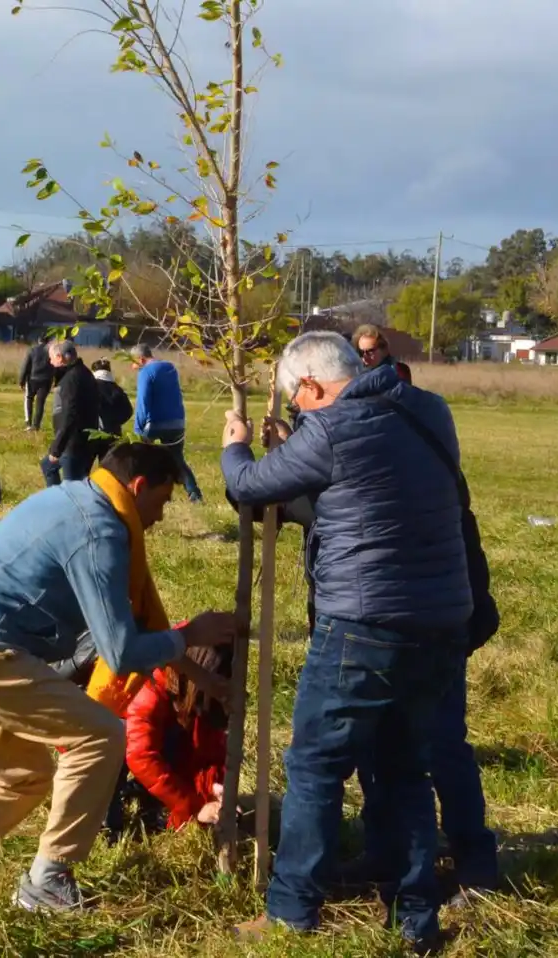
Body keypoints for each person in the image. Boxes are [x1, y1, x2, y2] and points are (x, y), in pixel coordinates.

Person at [0, 443, 238, 912]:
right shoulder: (100, 530)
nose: (161, 516)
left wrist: (199, 677)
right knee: (100, 735)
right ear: (138, 486)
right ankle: (48, 881)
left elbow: (138, 630)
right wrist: (189, 635)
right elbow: (123, 652)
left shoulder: (72, 498)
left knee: (22, 775)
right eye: (163, 500)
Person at [221, 331, 471, 951]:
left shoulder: (332, 431)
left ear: (311, 386)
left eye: (297, 399)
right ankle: (414, 917)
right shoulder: (429, 410)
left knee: (316, 767)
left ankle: (291, 909)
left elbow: (248, 485)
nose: (298, 410)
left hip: (362, 624)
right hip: (442, 620)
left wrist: (235, 446)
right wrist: (298, 442)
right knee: (405, 768)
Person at [125, 645, 231, 832]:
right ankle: (112, 816)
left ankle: (148, 798)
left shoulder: (200, 700)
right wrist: (195, 807)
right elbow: (141, 755)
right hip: (107, 743)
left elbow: (209, 752)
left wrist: (214, 790)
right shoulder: (150, 688)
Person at [131, 344, 202, 504]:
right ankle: (194, 493)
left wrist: (138, 428)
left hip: (154, 423)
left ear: (141, 359)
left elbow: (143, 402)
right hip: (177, 422)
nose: (132, 366)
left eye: (133, 362)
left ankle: (145, 494)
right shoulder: (170, 368)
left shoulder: (146, 372)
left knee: (144, 459)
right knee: (177, 459)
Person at [43, 341, 100, 487]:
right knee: (47, 466)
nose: (50, 362)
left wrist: (57, 448)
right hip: (83, 440)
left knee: (74, 486)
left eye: (51, 358)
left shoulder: (72, 379)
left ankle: (62, 499)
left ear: (59, 357)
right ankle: (56, 496)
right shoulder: (84, 372)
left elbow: (70, 414)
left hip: (73, 443)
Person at [91, 359, 134, 462]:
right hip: (113, 433)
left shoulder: (90, 386)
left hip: (92, 432)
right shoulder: (117, 389)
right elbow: (128, 411)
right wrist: (115, 422)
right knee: (108, 466)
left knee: (84, 467)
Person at [19, 336, 57, 431]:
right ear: (47, 341)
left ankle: (28, 422)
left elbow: (26, 365)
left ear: (38, 340)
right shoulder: (51, 351)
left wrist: (21, 380)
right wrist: (56, 380)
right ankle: (36, 425)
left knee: (29, 399)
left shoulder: (32, 350)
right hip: (46, 380)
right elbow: (55, 366)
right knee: (40, 403)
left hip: (32, 379)